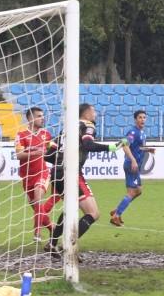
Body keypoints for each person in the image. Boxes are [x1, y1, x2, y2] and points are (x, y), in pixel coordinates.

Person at [44, 103, 127, 256]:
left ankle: (52, 243)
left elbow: (48, 155)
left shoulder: (65, 129)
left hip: (56, 172)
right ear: (86, 113)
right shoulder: (87, 125)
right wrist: (113, 148)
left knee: (70, 208)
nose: (95, 114)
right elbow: (88, 144)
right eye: (93, 110)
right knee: (93, 213)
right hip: (71, 172)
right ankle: (67, 246)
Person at [109, 110, 156, 227]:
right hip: (131, 165)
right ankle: (116, 216)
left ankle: (117, 210)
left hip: (135, 166)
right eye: (140, 117)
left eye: (144, 117)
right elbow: (125, 146)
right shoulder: (133, 132)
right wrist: (133, 160)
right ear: (135, 119)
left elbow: (138, 148)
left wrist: (147, 149)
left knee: (138, 191)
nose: (143, 120)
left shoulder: (143, 133)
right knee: (132, 192)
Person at [15, 107, 55, 242]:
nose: (42, 118)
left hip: (42, 173)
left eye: (43, 115)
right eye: (39, 116)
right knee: (38, 208)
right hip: (27, 177)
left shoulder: (46, 134)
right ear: (30, 118)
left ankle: (36, 233)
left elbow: (54, 147)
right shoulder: (21, 135)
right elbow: (19, 155)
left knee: (38, 196)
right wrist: (34, 152)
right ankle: (52, 228)